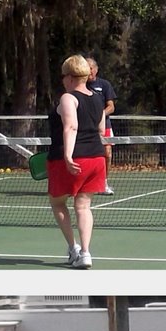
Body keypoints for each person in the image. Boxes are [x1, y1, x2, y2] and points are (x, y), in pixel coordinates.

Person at [48, 54, 106, 269]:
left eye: (64, 76)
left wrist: (67, 155)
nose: (63, 80)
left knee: (57, 202)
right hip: (97, 158)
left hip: (73, 158)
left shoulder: (68, 97)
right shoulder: (97, 98)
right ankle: (86, 253)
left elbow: (70, 126)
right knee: (83, 206)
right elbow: (100, 128)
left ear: (71, 77)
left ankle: (73, 249)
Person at [86, 57, 117, 195]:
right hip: (86, 126)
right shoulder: (80, 86)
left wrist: (100, 115)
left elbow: (111, 107)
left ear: (96, 69)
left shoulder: (104, 85)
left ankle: (103, 183)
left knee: (107, 154)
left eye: (90, 68)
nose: (88, 71)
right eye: (85, 68)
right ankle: (84, 183)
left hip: (105, 125)